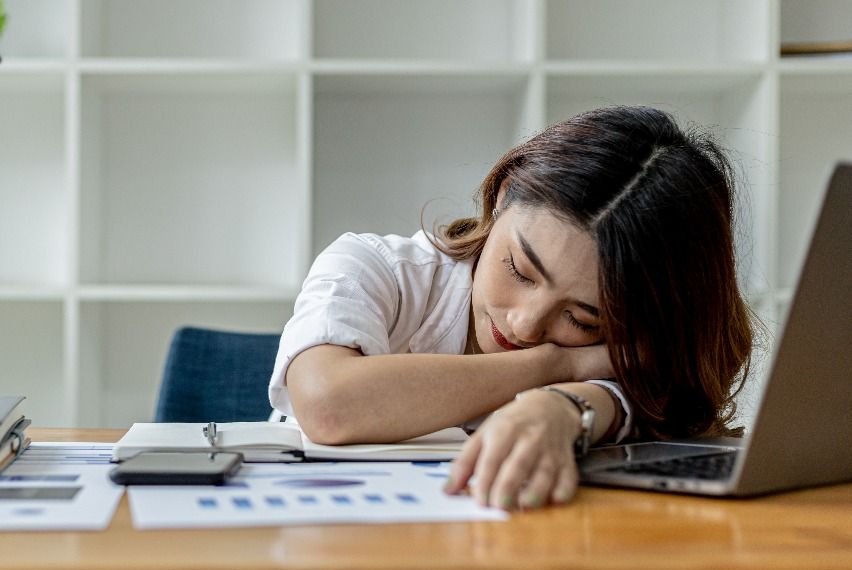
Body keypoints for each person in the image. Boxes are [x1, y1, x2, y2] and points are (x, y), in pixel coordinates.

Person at [267, 105, 757, 512]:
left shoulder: (625, 362)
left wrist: (563, 406)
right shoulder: (377, 268)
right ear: (501, 196)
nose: (524, 324)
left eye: (582, 318)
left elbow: (629, 405)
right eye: (520, 270)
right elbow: (328, 405)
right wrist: (557, 363)